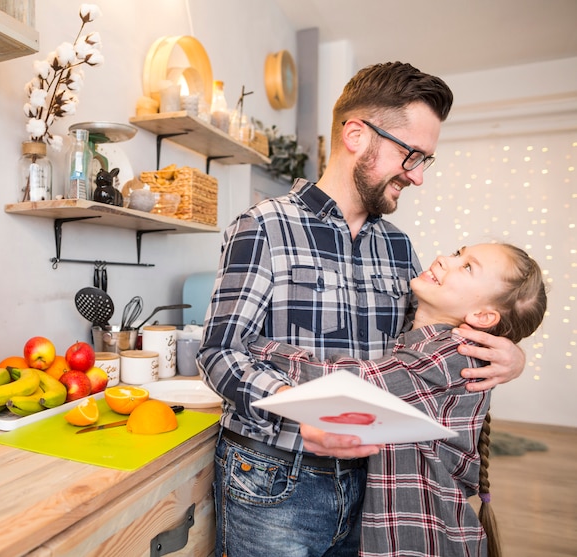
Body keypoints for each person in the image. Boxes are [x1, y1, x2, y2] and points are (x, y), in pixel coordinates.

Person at [197, 62, 526, 557]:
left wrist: (512, 355)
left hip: (378, 484)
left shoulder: (398, 247)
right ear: (356, 134)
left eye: (424, 161)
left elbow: (433, 345)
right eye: (411, 155)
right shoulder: (263, 225)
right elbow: (220, 352)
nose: (416, 177)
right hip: (274, 480)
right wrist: (300, 408)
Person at [248, 242, 547, 557]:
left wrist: (254, 345)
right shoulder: (420, 345)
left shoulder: (451, 357)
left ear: (482, 316)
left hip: (426, 540)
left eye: (467, 267)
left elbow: (345, 383)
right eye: (458, 253)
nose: (445, 258)